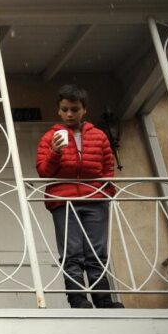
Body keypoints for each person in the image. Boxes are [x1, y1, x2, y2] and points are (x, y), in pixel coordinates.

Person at [36, 84, 124, 309]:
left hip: (95, 200)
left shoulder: (99, 136)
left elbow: (108, 169)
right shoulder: (50, 138)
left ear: (84, 109)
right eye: (65, 109)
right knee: (72, 253)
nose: (69, 114)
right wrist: (55, 152)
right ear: (58, 110)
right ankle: (77, 299)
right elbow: (44, 171)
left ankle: (103, 301)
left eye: (74, 109)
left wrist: (106, 193)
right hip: (64, 202)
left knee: (97, 253)